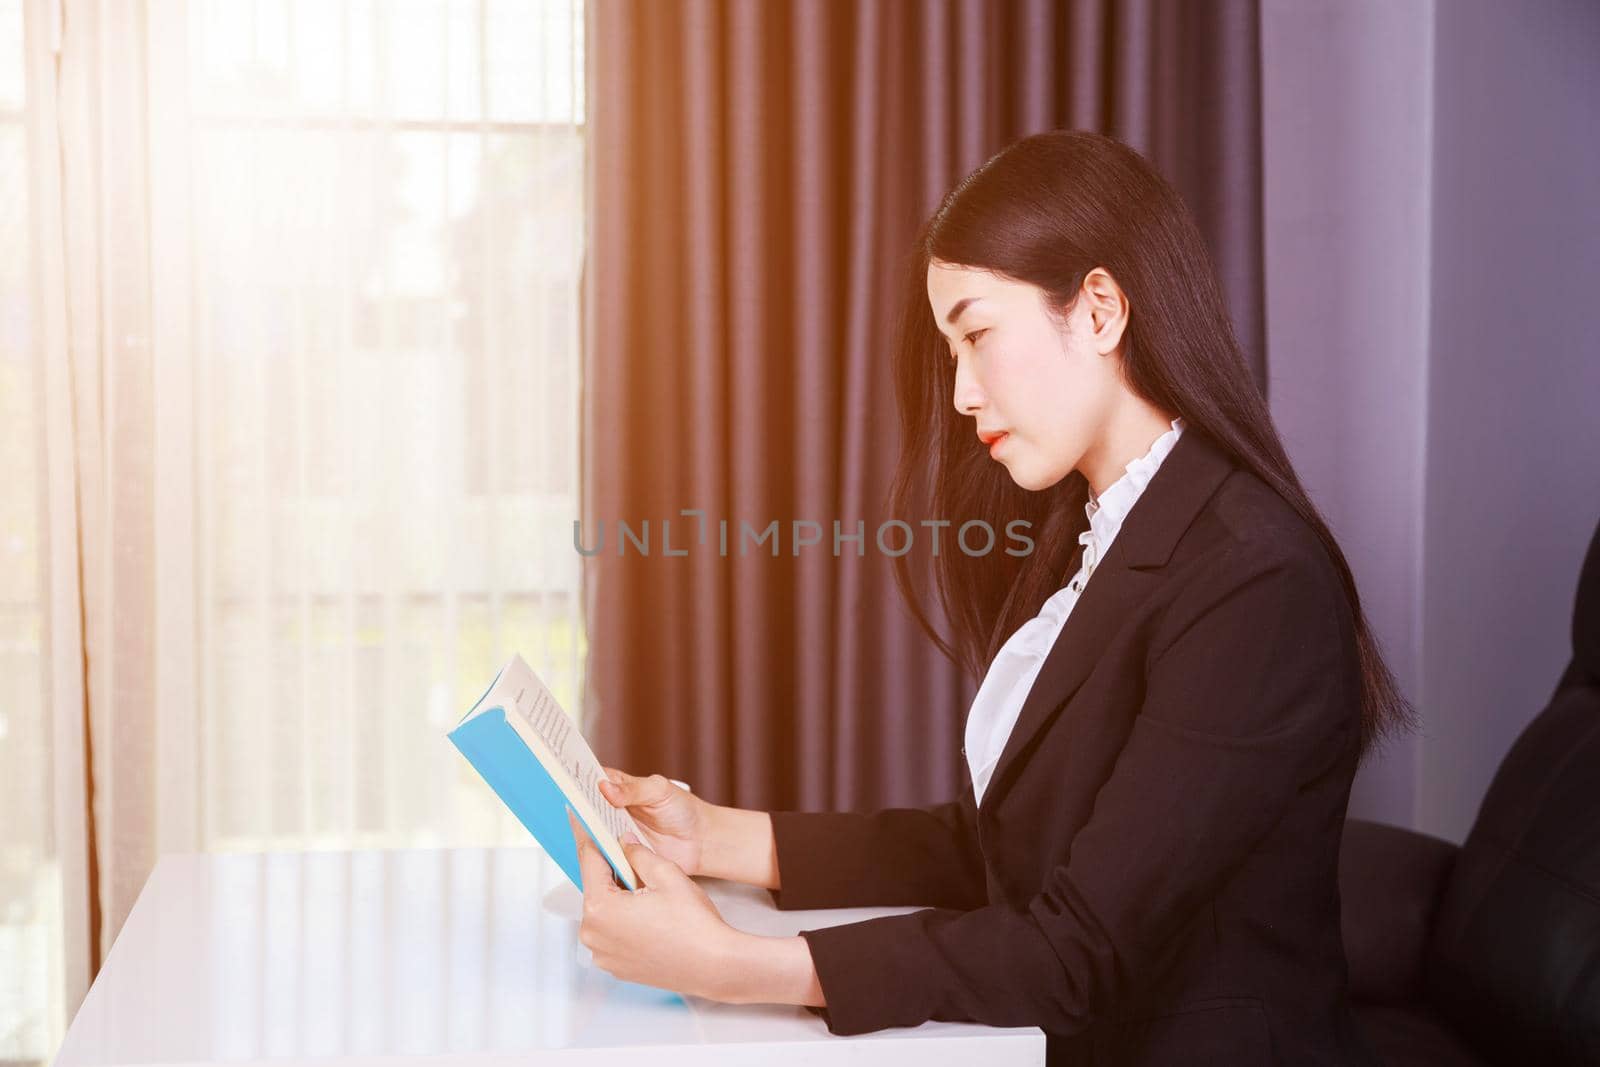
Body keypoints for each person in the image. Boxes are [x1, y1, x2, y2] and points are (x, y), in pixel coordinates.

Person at [566, 129, 1412, 1066]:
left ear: (1098, 310)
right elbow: (1014, 849)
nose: (962, 393)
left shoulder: (1254, 580)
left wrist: (736, 963)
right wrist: (721, 838)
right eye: (950, 348)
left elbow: (1075, 948)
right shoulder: (1095, 533)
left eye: (977, 335)